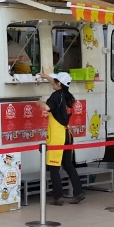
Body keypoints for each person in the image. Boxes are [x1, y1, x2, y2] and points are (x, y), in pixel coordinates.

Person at [36, 71, 85, 205]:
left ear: (59, 84)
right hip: (67, 134)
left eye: (55, 81)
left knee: (53, 166)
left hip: (57, 136)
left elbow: (47, 107)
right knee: (68, 165)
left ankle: (58, 197)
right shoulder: (68, 96)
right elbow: (58, 85)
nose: (54, 82)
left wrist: (39, 102)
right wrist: (47, 77)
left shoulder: (55, 95)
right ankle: (79, 192)